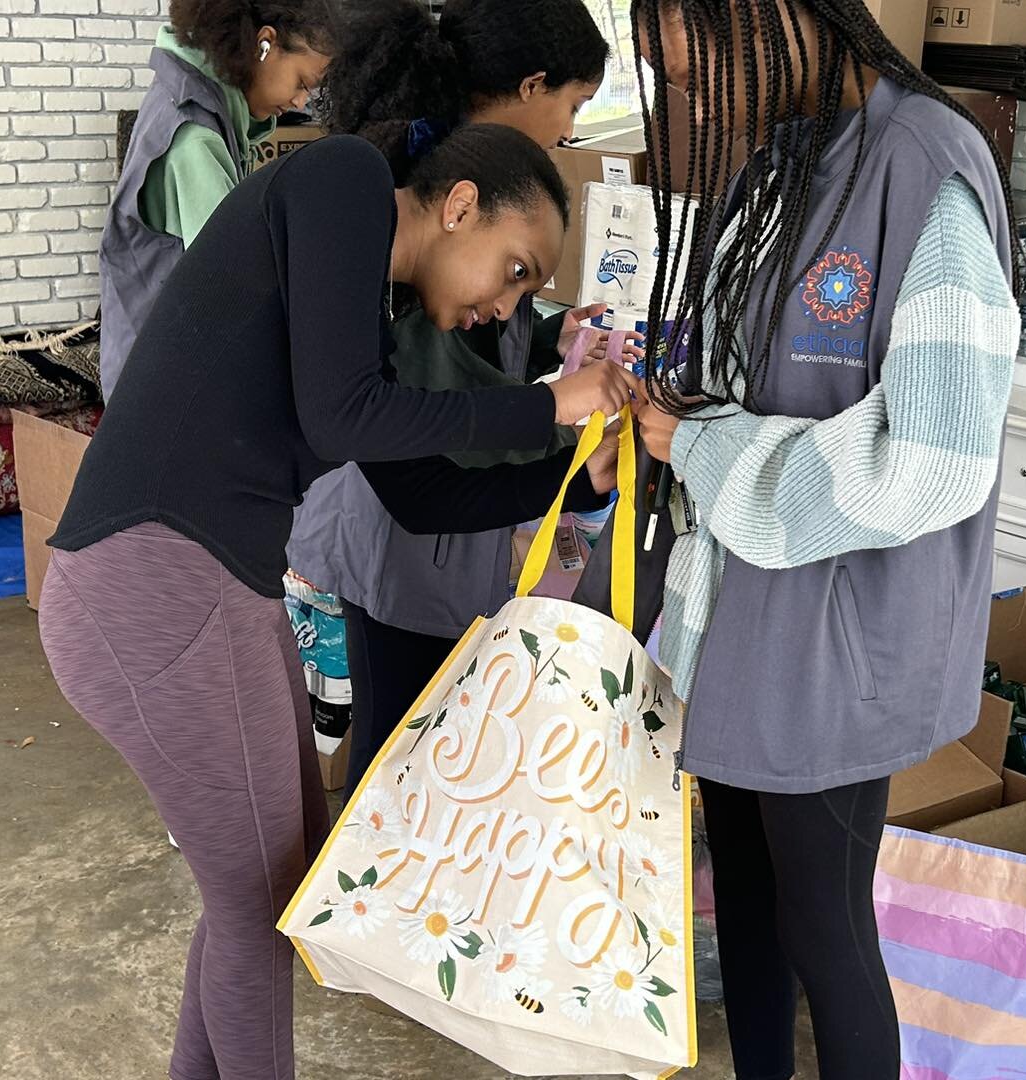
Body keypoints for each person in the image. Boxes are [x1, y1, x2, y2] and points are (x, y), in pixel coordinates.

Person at [39, 123, 641, 1080]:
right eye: (516, 270)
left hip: (218, 585)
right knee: (261, 908)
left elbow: (425, 493)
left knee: (277, 890)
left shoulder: (366, 324)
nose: (506, 306)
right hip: (153, 580)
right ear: (458, 207)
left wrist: (583, 480)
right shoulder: (344, 178)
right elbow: (341, 415)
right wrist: (549, 403)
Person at [628, 1, 1021, 1077]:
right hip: (750, 627)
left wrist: (707, 447)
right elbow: (750, 372)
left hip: (838, 645)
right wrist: (664, 415)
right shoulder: (786, 162)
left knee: (828, 932)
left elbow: (935, 460)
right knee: (746, 904)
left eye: (699, 71)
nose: (696, 103)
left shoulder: (921, 166)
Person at [288, 0, 631, 795]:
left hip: (437, 510)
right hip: (409, 522)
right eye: (573, 105)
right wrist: (554, 410)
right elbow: (423, 442)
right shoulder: (413, 218)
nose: (572, 129)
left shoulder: (462, 211)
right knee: (399, 751)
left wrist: (551, 346)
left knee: (433, 748)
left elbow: (481, 343)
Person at [98, 0, 339, 398]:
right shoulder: (194, 138)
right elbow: (233, 288)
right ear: (264, 44)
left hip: (155, 375)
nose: (301, 102)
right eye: (301, 82)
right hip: (160, 396)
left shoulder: (193, 104)